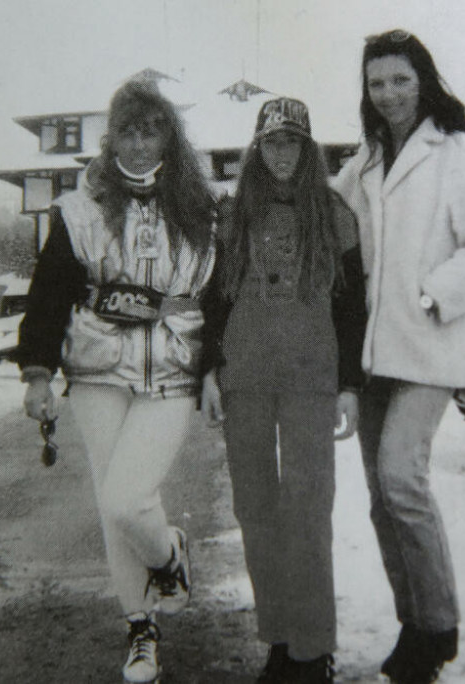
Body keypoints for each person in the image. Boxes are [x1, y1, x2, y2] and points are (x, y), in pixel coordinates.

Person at [17, 79, 217, 684]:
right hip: (98, 371)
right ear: (112, 138)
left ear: (168, 136)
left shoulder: (203, 210)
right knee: (112, 504)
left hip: (172, 372)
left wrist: (216, 367)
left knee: (127, 498)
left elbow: (220, 298)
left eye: (151, 130)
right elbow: (49, 293)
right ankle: (140, 627)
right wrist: (37, 372)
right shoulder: (79, 210)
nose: (139, 143)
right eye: (127, 131)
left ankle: (168, 554)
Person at [333, 29, 465, 684]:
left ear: (424, 82)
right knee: (382, 497)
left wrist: (432, 297)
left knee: (401, 480)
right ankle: (414, 625)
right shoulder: (366, 162)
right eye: (377, 83)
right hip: (377, 352)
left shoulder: (458, 151)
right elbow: (326, 220)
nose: (389, 94)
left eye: (400, 80)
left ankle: (439, 625)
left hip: (433, 345)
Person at [200, 97, 367, 684]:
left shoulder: (334, 213)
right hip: (244, 378)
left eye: (292, 141)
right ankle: (278, 637)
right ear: (257, 147)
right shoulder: (232, 214)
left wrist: (350, 385)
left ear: (308, 147)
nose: (281, 152)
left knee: (308, 509)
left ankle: (313, 648)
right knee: (255, 510)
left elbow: (352, 307)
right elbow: (214, 300)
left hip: (310, 378)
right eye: (271, 141)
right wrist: (208, 370)